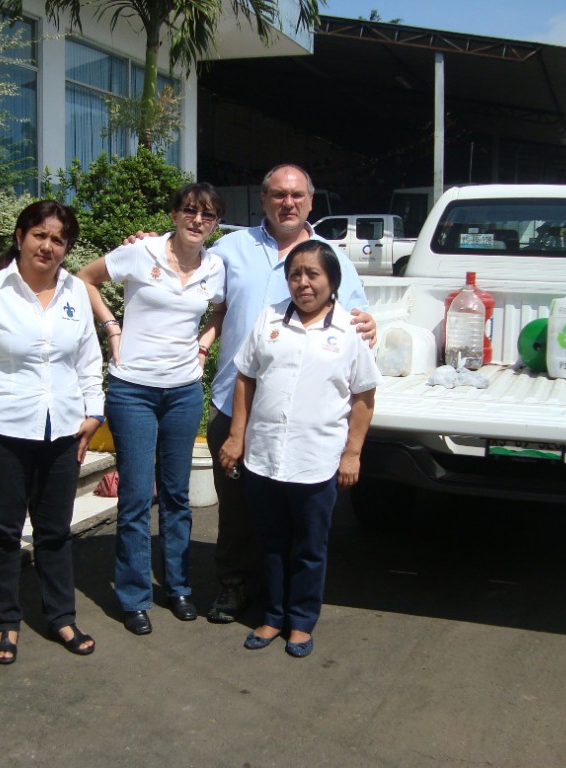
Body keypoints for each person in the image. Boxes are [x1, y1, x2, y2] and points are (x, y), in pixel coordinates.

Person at [204, 164, 376, 624]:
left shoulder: (330, 257)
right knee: (238, 512)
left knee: (297, 517)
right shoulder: (230, 249)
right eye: (278, 194)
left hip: (304, 419)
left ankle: (286, 602)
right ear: (263, 200)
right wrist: (148, 245)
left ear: (310, 202)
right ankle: (236, 586)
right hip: (235, 401)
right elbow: (187, 277)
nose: (288, 203)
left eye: (297, 195)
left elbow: (357, 319)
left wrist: (371, 323)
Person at [78, 182, 226, 636]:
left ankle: (179, 587)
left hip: (183, 392)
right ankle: (134, 595)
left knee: (178, 496)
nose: (197, 221)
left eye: (207, 215)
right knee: (138, 496)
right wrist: (111, 326)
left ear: (215, 223)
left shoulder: (216, 266)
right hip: (133, 390)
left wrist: (204, 344)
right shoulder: (141, 253)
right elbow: (84, 277)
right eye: (189, 211)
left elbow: (220, 310)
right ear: (174, 214)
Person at [0, 201, 104, 664]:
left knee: (53, 531)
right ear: (20, 236)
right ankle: (5, 622)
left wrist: (94, 413)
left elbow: (88, 358)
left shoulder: (74, 293)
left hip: (62, 429)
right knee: (3, 531)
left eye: (59, 239)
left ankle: (61, 615)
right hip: (0, 426)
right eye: (39, 235)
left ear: (67, 247)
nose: (48, 246)